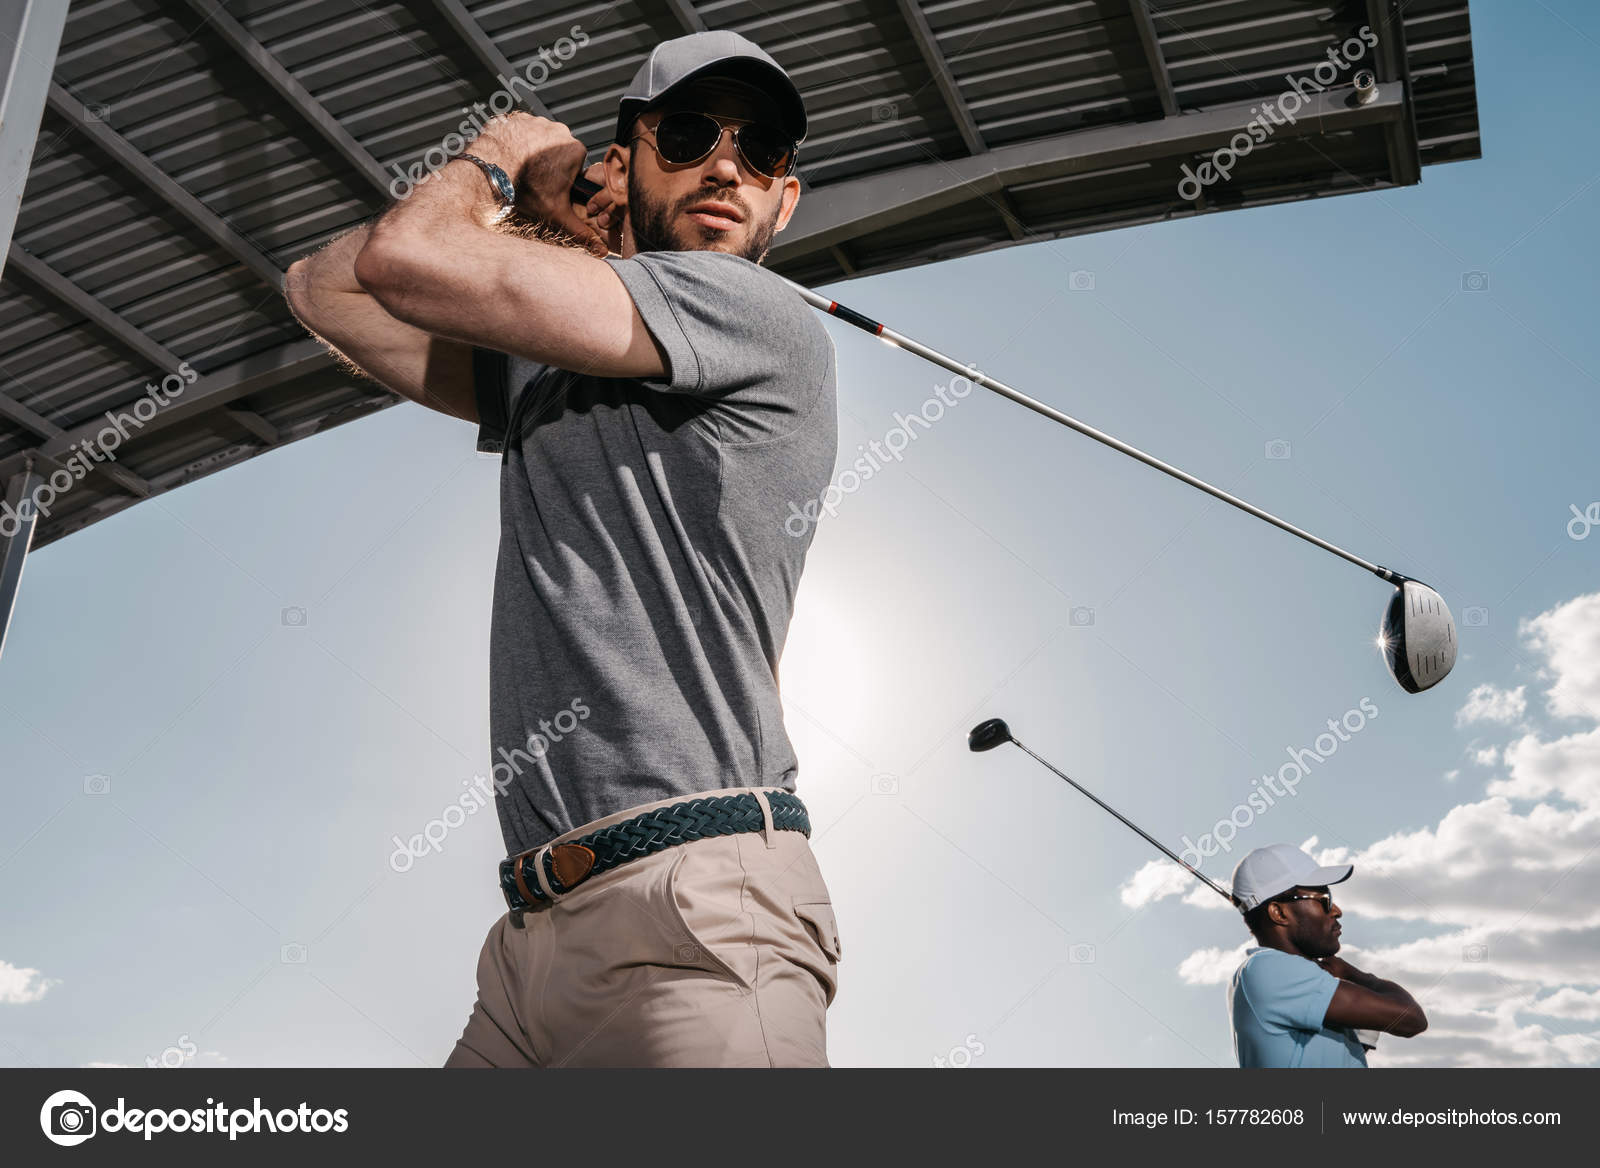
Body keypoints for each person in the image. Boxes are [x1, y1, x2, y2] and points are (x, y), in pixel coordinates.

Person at [284, 30, 842, 1067]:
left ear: (784, 199)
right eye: (687, 135)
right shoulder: (550, 371)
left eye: (759, 152)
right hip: (531, 941)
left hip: (698, 911)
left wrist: (495, 157)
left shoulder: (757, 311)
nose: (726, 165)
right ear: (621, 166)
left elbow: (404, 260)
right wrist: (551, 226)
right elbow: (323, 288)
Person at [1228, 844, 1427, 1067]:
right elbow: (1410, 1018)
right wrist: (1353, 974)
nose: (1336, 910)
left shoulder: (1289, 979)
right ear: (1279, 912)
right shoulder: (1269, 968)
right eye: (1324, 898)